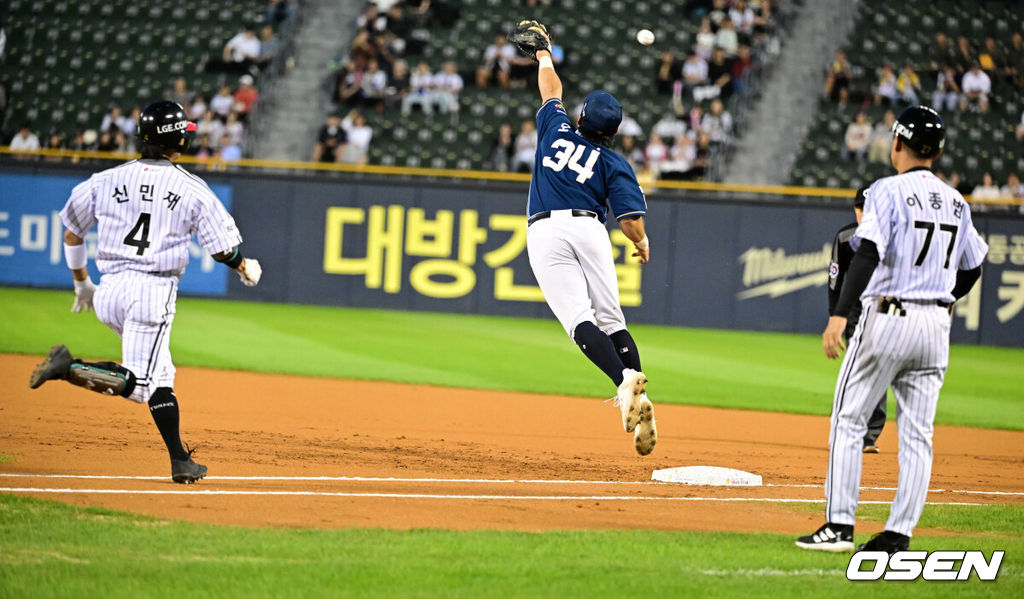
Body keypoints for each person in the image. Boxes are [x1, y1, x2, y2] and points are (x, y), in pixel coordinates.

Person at [28, 100, 263, 484]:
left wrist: (82, 282)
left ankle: (180, 461)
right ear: (177, 142)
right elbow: (221, 248)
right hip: (151, 293)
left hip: (109, 291)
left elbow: (73, 231)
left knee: (162, 375)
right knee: (139, 386)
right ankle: (68, 367)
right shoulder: (192, 189)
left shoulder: (103, 180)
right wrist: (243, 266)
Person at [797, 106, 988, 553]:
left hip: (887, 316)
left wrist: (839, 315)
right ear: (937, 153)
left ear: (897, 144)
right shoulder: (957, 201)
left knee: (849, 419)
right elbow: (974, 265)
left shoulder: (885, 190)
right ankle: (898, 534)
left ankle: (839, 527)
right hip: (935, 325)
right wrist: (945, 297)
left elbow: (865, 254)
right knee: (918, 434)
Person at [510, 20, 656, 456]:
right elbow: (630, 219)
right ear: (612, 132)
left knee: (578, 320)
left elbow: (550, 90)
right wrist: (641, 243)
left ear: (580, 117)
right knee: (612, 320)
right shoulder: (613, 162)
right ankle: (640, 394)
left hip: (546, 229)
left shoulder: (555, 129)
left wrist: (543, 54)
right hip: (590, 228)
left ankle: (625, 383)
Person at [827, 187, 887, 454]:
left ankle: (869, 435)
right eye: (859, 207)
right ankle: (847, 428)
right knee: (857, 368)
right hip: (853, 311)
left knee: (879, 368)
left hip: (885, 309)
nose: (862, 212)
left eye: (867, 207)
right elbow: (835, 279)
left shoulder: (891, 235)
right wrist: (834, 316)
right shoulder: (845, 236)